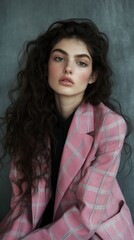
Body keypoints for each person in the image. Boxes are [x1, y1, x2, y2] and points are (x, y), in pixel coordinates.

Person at [0, 18, 133, 240]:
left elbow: (86, 217)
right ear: (46, 68)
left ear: (92, 76)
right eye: (59, 58)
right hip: (42, 225)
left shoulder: (110, 125)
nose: (68, 68)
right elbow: (23, 203)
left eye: (81, 63)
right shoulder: (30, 122)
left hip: (94, 231)